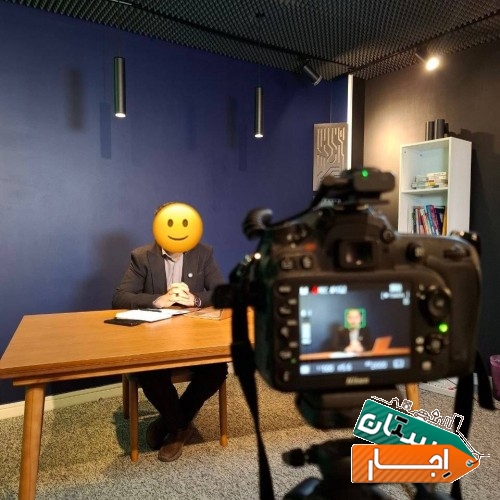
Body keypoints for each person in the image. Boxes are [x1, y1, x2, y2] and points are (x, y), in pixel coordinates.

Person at [112, 202, 228, 462]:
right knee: (149, 373)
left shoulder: (203, 253)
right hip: (155, 339)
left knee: (217, 369)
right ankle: (179, 427)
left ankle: (170, 423)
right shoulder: (142, 256)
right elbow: (119, 298)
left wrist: (195, 299)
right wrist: (158, 300)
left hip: (194, 337)